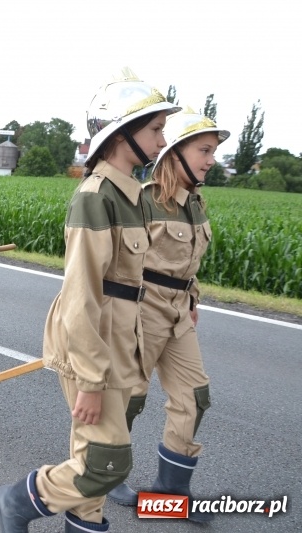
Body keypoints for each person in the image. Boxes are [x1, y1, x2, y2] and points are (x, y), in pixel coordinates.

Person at [0, 69, 180, 533]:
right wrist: (93, 380)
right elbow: (81, 297)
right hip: (91, 344)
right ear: (122, 134)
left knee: (91, 459)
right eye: (155, 129)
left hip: (117, 339)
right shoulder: (97, 197)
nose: (162, 140)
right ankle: (20, 499)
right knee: (107, 464)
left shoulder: (129, 195)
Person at [105, 109, 229, 523]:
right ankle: (106, 473)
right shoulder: (142, 200)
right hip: (143, 309)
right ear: (174, 152)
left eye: (213, 151)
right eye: (204, 150)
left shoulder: (195, 203)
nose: (211, 159)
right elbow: (118, 262)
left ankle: (173, 492)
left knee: (196, 397)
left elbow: (187, 263)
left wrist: (192, 300)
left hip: (179, 313)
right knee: (130, 397)